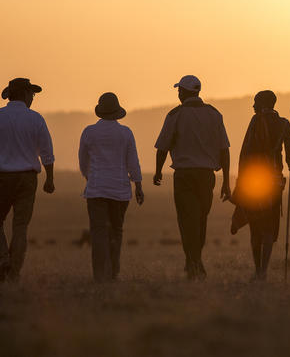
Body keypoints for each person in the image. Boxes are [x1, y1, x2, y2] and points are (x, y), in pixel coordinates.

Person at [0, 77, 55, 282]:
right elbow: (47, 151)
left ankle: (3, 261)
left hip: (2, 177)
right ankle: (14, 272)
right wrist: (49, 178)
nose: (33, 98)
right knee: (20, 226)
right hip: (27, 179)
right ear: (26, 94)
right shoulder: (36, 119)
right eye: (32, 94)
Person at [153, 75, 231, 280]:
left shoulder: (175, 115)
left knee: (187, 221)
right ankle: (195, 262)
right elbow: (224, 150)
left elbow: (162, 147)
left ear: (185, 92)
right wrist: (227, 182)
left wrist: (158, 171)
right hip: (206, 176)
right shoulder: (214, 114)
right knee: (200, 220)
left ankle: (193, 263)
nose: (178, 94)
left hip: (184, 175)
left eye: (179, 91)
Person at [230, 90, 290, 281]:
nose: (252, 106)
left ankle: (258, 270)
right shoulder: (284, 124)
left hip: (255, 183)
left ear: (262, 104)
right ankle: (263, 271)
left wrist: (240, 182)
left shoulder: (255, 121)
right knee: (269, 227)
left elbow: (245, 153)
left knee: (255, 226)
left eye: (255, 102)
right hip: (275, 183)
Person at [78, 92, 144, 282]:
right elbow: (133, 162)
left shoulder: (89, 132)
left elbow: (83, 161)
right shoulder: (125, 133)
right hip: (120, 191)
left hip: (96, 189)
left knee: (98, 232)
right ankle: (113, 272)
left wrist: (90, 178)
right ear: (117, 112)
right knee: (116, 231)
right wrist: (138, 186)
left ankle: (100, 274)